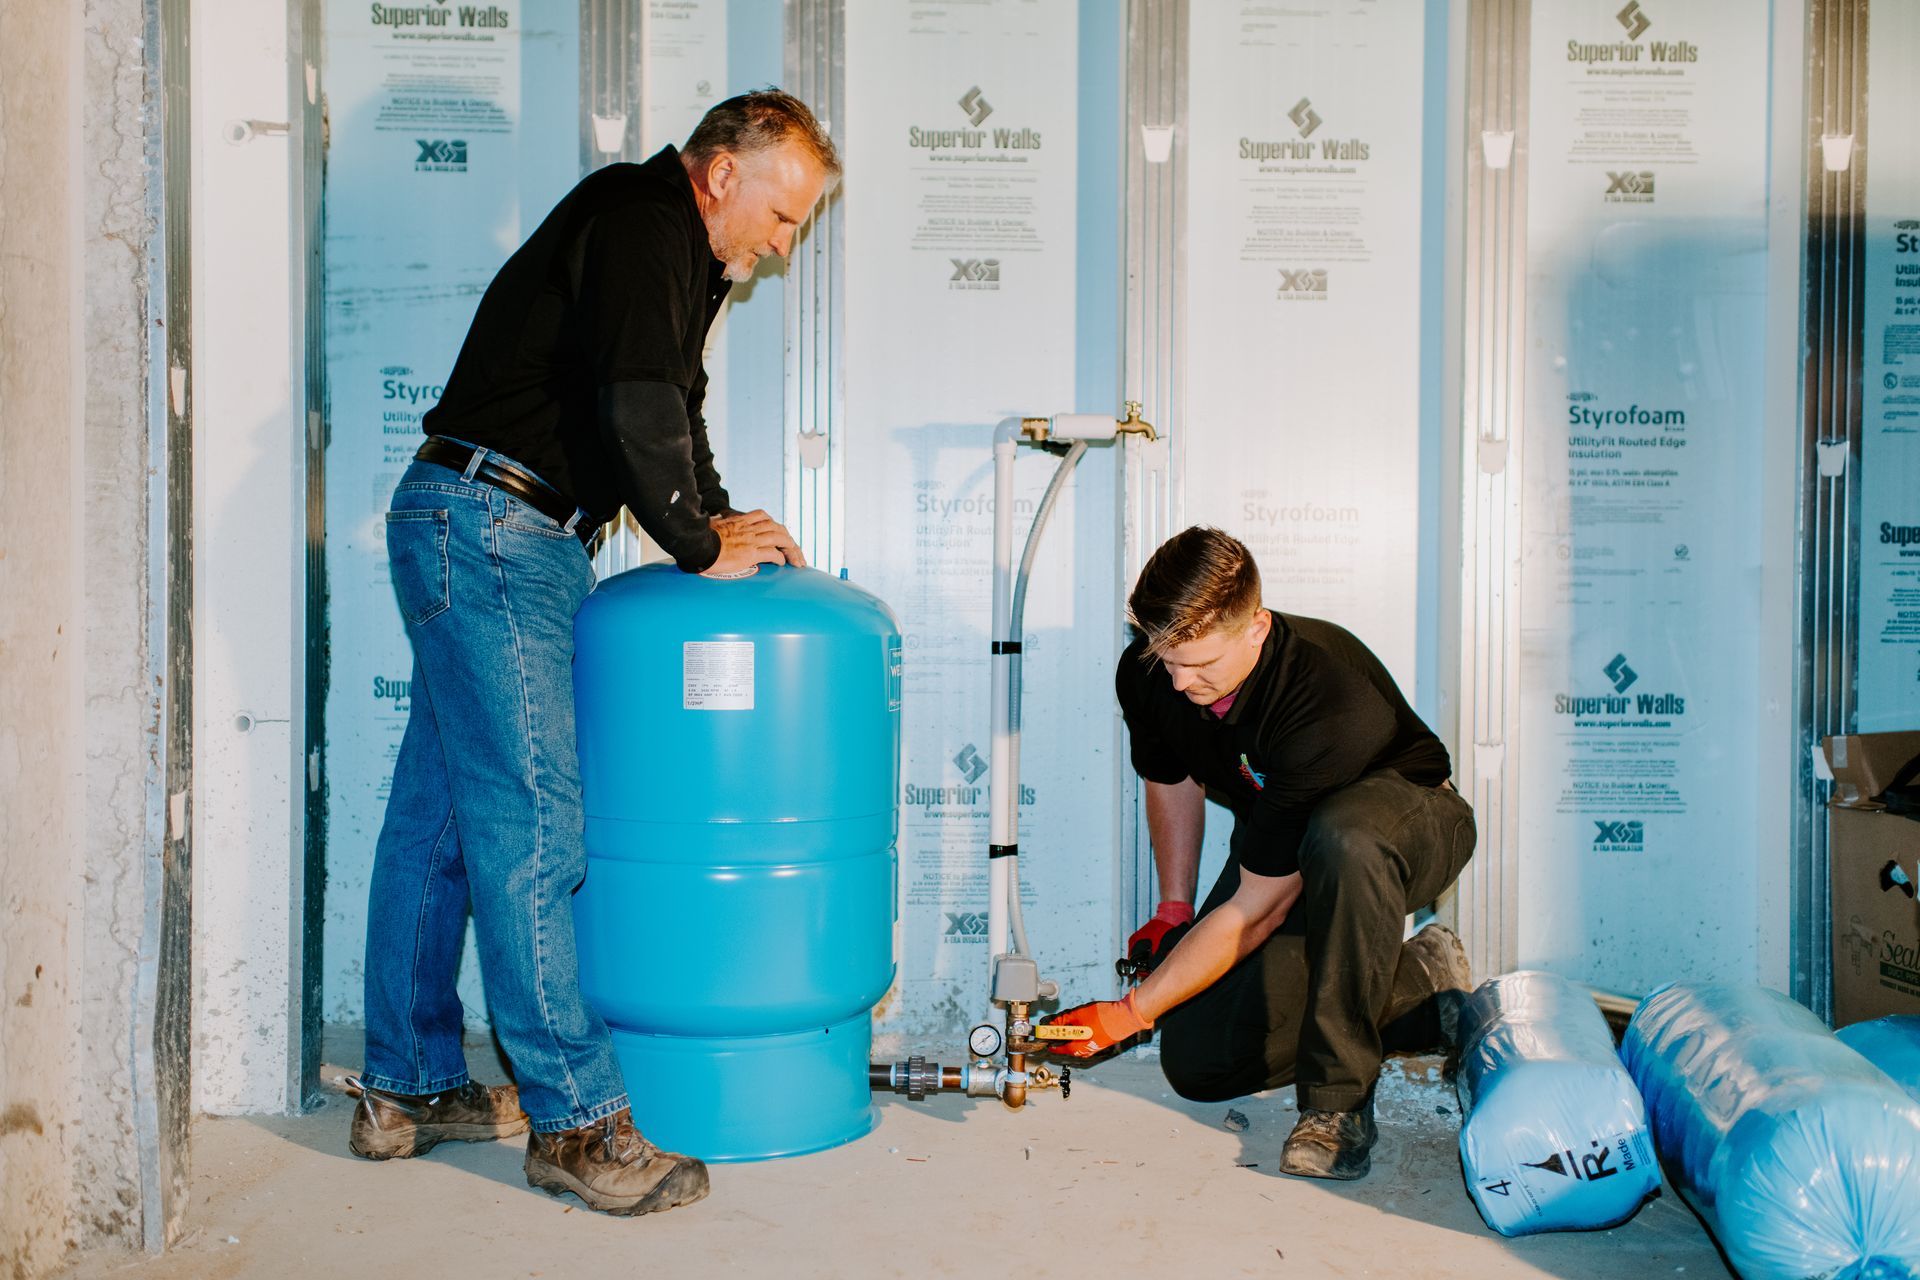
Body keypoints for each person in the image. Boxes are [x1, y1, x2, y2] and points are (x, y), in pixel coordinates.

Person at [345, 90, 837, 1217]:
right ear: (721, 173)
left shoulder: (667, 246)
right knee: (531, 820)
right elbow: (635, 402)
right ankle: (576, 1119)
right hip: (496, 528)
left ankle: (408, 1082)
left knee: (439, 821)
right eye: (784, 214)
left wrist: (719, 518)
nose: (783, 241)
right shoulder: (641, 219)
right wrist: (698, 537)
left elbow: (672, 408)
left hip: (470, 521)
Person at [1047, 527, 1477, 1181]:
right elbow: (1171, 777)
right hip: (1296, 839)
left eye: (1201, 664)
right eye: (1168, 657)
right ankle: (1420, 989)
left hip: (1406, 823)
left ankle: (1337, 1106)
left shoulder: (1324, 699)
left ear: (1255, 628)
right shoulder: (1151, 673)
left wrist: (1128, 1013)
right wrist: (1173, 907)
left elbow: (1258, 909)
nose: (1182, 681)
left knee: (1344, 837)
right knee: (1198, 1060)